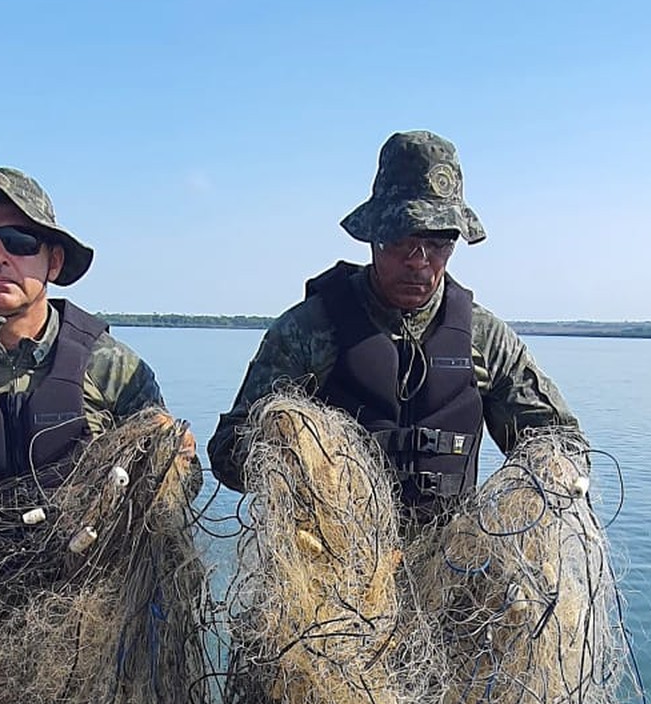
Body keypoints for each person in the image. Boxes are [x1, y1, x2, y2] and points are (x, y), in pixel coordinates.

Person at [207, 132, 587, 520]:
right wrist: (291, 448)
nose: (418, 261)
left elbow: (564, 446)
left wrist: (550, 475)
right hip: (331, 565)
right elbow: (227, 453)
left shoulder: (485, 338)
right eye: (402, 238)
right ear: (374, 236)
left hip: (450, 565)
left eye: (439, 242)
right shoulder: (308, 331)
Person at [0, 166, 191, 544]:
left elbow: (181, 492)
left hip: (97, 595)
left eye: (19, 240)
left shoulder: (111, 367)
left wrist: (176, 459)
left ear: (53, 261)